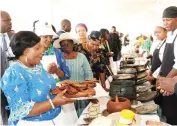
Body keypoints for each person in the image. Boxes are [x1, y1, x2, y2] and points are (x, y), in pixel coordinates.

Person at [0, 31, 75, 126]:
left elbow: (42, 88)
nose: (41, 51)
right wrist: (54, 102)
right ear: (25, 51)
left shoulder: (38, 66)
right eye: (37, 48)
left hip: (55, 119)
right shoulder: (13, 74)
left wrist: (57, 89)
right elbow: (22, 110)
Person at [53, 32, 93, 118]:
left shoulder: (81, 56)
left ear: (73, 44)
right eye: (63, 45)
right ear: (60, 47)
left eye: (68, 44)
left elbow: (88, 74)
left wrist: (89, 92)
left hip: (81, 93)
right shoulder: (58, 59)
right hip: (65, 94)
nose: (66, 46)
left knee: (83, 117)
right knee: (70, 118)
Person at [156, 6, 177, 125]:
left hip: (173, 82)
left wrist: (167, 80)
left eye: (168, 20)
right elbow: (165, 60)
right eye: (163, 20)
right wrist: (159, 75)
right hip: (167, 79)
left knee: (172, 113)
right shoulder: (171, 35)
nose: (165, 23)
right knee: (167, 111)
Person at [0, 10, 14, 125]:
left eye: (10, 20)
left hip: (15, 84)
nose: (10, 23)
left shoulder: (15, 36)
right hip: (1, 87)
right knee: (4, 114)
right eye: (6, 20)